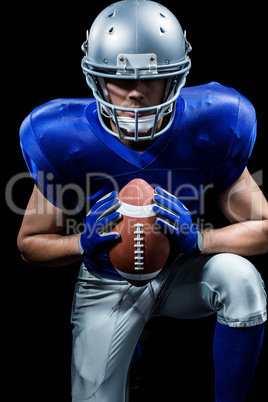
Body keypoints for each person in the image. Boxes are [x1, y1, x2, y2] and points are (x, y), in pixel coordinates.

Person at [17, 1, 267, 401]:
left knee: (243, 282)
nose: (135, 93)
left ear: (179, 78)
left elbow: (265, 228)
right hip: (105, 283)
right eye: (117, 78)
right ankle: (128, 353)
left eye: (153, 79)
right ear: (94, 79)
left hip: (183, 271)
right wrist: (79, 243)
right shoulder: (60, 136)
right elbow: (29, 244)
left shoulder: (215, 123)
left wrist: (201, 240)